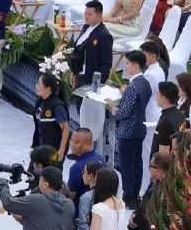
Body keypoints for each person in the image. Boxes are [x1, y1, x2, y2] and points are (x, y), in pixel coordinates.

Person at [109, 50, 151, 203]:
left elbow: (125, 112)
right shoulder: (144, 83)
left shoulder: (134, 87)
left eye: (127, 63)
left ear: (135, 66)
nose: (125, 66)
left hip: (128, 131)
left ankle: (128, 197)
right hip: (139, 128)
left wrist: (114, 108)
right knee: (136, 163)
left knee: (127, 165)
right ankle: (134, 194)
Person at [0, 167, 75, 230]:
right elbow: (34, 222)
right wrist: (16, 207)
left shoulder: (37, 200)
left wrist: (3, 184)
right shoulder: (70, 204)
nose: (38, 181)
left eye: (40, 179)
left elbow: (8, 203)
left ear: (46, 185)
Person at [72, 1, 114, 87]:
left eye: (90, 14)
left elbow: (106, 63)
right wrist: (74, 72)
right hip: (79, 74)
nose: (86, 17)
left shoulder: (104, 35)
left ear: (99, 16)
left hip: (90, 79)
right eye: (85, 13)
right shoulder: (86, 27)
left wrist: (98, 83)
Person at [32, 72, 71, 155]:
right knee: (33, 168)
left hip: (53, 149)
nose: (36, 86)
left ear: (48, 88)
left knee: (50, 168)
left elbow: (65, 128)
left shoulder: (57, 106)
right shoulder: (40, 101)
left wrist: (61, 151)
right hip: (41, 146)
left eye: (39, 84)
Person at [67, 127, 105, 204]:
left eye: (76, 142)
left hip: (81, 208)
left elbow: (71, 195)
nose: (72, 145)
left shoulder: (78, 167)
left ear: (88, 145)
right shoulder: (100, 158)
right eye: (71, 140)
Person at [151, 81, 185, 154]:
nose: (156, 96)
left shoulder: (165, 123)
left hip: (165, 163)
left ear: (163, 99)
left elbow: (163, 155)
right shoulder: (180, 115)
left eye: (157, 94)